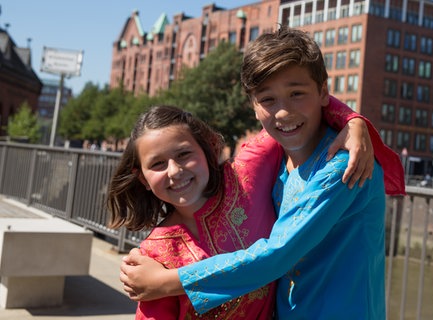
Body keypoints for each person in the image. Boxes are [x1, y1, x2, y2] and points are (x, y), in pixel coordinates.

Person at [120, 26, 405, 319]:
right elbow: (299, 103)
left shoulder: (344, 165)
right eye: (268, 100)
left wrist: (166, 282)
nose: (283, 111)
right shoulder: (277, 154)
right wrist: (352, 118)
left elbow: (277, 254)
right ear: (254, 107)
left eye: (296, 94)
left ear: (323, 92)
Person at [109, 102, 392, 318]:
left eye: (184, 154)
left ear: (207, 149)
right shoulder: (152, 258)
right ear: (142, 178)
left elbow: (291, 106)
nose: (175, 171)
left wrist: (354, 122)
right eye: (157, 164)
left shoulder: (245, 175)